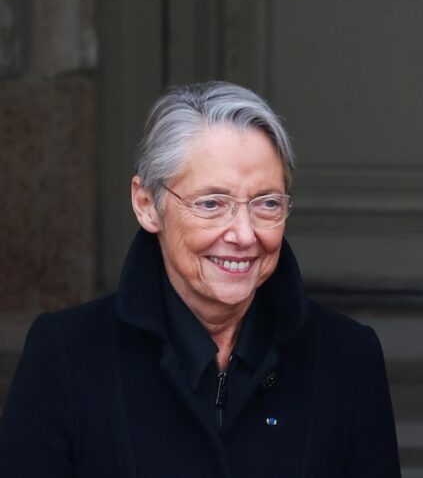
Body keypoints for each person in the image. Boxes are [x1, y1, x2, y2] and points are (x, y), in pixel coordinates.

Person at [0, 81, 401, 477]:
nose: (244, 234)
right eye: (212, 204)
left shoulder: (348, 358)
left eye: (266, 204)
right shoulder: (68, 355)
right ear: (146, 205)